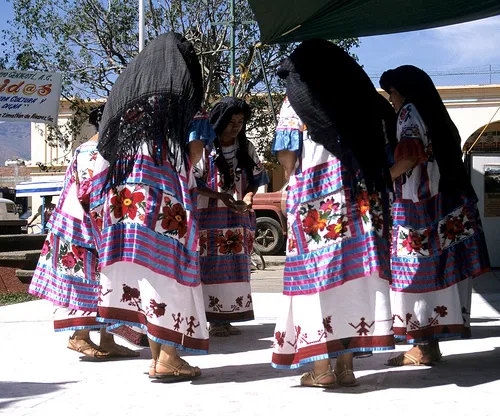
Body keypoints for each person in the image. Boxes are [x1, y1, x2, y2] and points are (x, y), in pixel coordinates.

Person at [271, 39, 395, 388]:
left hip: (315, 200)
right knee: (353, 280)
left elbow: (286, 153)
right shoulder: (360, 99)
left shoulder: (296, 100)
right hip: (360, 201)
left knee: (314, 279)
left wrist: (287, 187)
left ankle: (321, 368)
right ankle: (346, 367)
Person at [91, 32, 208, 381]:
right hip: (165, 195)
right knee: (171, 272)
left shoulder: (127, 99)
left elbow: (104, 153)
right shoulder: (182, 98)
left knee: (145, 272)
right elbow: (194, 154)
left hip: (125, 199)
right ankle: (169, 357)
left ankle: (158, 358)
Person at [379, 65, 491, 366]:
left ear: (403, 91)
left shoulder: (409, 113)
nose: (391, 99)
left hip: (418, 206)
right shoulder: (437, 115)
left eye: (391, 92)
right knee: (442, 273)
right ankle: (430, 344)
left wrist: (384, 179)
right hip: (446, 202)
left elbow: (411, 154)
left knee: (412, 275)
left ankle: (421, 345)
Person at [28, 104, 140, 359]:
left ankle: (107, 340)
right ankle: (79, 337)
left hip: (86, 225)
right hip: (81, 228)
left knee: (102, 283)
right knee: (85, 283)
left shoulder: (92, 148)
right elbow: (91, 193)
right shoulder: (95, 151)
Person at [193, 97, 269, 337]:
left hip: (237, 219)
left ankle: (226, 317)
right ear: (219, 121)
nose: (236, 126)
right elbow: (193, 181)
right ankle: (214, 319)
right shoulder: (205, 147)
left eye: (240, 121)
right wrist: (219, 196)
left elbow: (255, 180)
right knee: (211, 267)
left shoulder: (245, 148)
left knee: (235, 267)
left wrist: (248, 197)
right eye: (231, 121)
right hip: (208, 219)